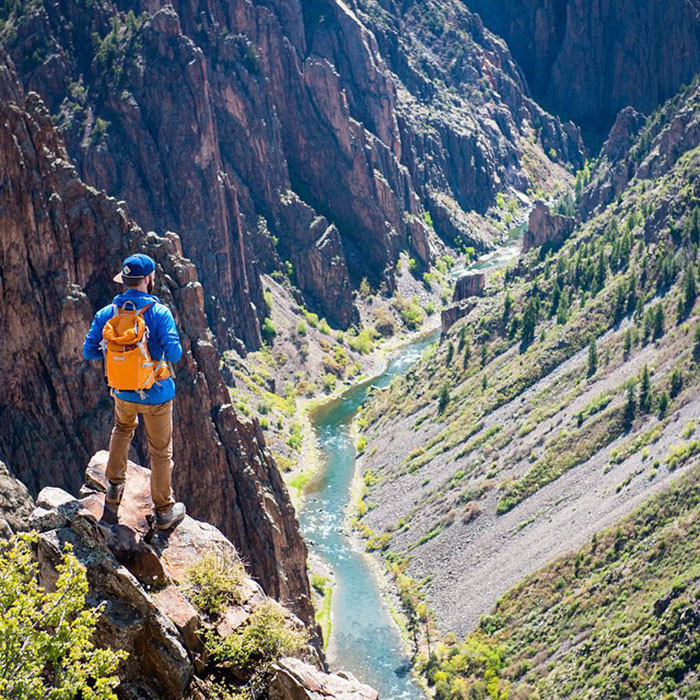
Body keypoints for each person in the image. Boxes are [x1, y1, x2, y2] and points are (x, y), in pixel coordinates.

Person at [83, 253, 186, 530]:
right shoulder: (159, 312)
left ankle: (114, 488)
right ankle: (164, 511)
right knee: (160, 452)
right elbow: (175, 354)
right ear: (147, 280)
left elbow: (88, 350)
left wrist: (116, 352)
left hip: (123, 392)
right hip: (157, 394)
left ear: (125, 281)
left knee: (122, 430)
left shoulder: (108, 314)